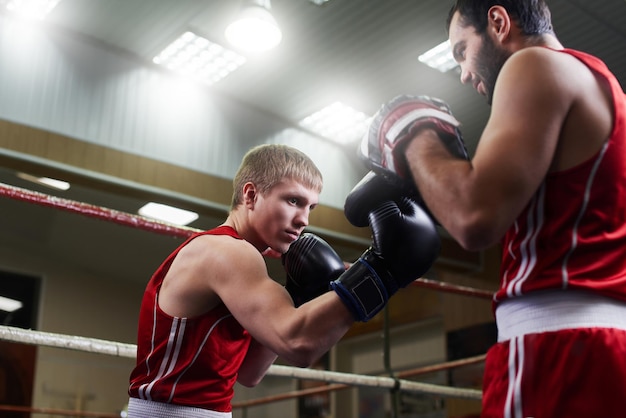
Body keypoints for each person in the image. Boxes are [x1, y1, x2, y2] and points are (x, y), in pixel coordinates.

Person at [357, 1, 626, 417]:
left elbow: (474, 218)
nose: (464, 73)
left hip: (554, 350)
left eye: (462, 50)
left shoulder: (534, 64)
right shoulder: (607, 88)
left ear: (498, 23)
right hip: (605, 349)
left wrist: (411, 132)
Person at [127, 143, 440, 417]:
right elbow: (298, 344)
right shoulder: (228, 253)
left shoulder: (238, 260)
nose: (304, 219)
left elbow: (250, 372)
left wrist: (299, 296)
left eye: (310, 207)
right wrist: (383, 272)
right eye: (293, 200)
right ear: (251, 195)